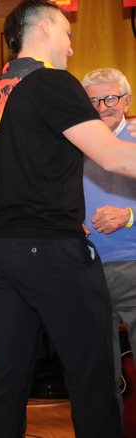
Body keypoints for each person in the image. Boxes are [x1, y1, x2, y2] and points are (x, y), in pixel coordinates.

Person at [0, 1, 136, 436]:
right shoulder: (53, 82)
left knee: (8, 378)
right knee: (92, 373)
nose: (70, 47)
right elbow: (113, 156)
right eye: (68, 34)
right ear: (46, 27)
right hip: (49, 248)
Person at [81, 67, 136, 412]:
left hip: (134, 265)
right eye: (93, 100)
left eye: (111, 98)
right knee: (99, 374)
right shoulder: (71, 143)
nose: (103, 106)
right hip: (85, 267)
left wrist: (130, 215)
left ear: (126, 101)